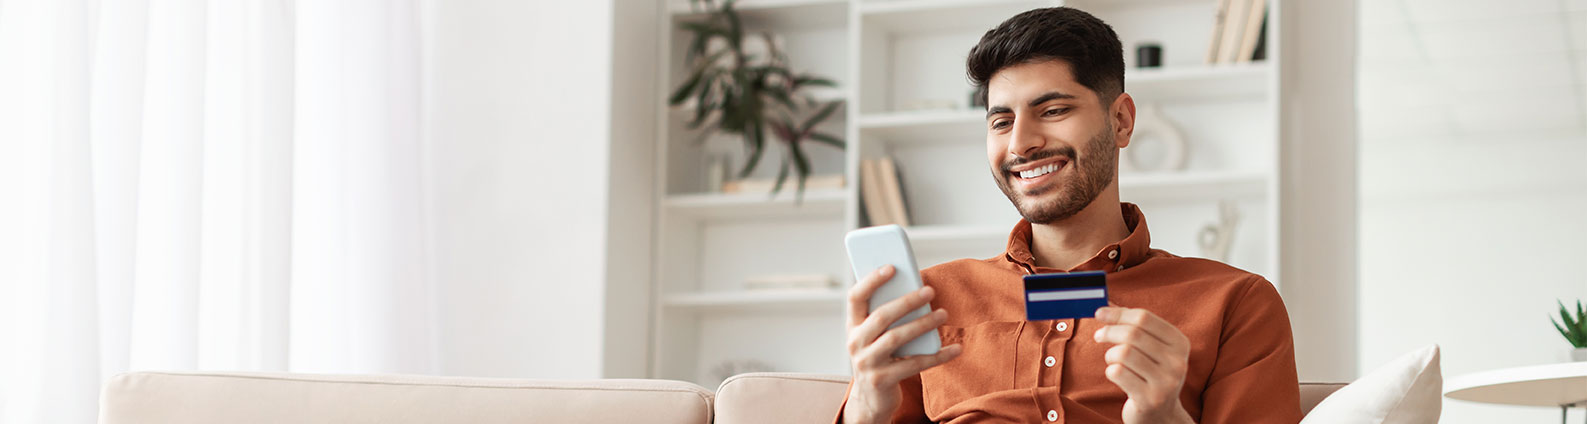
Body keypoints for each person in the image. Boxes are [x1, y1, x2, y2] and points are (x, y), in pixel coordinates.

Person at [836, 7, 1301, 424]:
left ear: (1121, 122)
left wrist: (1164, 419)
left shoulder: (1235, 304)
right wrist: (864, 411)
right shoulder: (927, 302)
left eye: (1053, 110)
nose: (1021, 143)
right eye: (1001, 122)